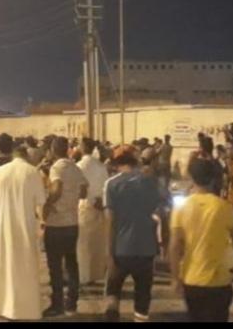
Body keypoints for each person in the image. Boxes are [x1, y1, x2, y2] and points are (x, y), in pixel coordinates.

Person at [169, 158, 233, 322]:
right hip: (219, 280)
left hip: (192, 279)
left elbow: (174, 246)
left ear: (191, 178)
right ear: (213, 179)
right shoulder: (223, 207)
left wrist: (175, 277)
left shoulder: (181, 207)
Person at [0, 142, 48, 321]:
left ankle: (0, 306)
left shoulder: (1, 171)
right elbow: (41, 201)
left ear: (13, 155)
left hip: (5, 226)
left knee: (4, 264)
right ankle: (27, 310)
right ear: (26, 155)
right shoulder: (33, 172)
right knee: (26, 266)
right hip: (26, 226)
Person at [103, 145, 164, 323]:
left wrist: (109, 253)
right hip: (146, 248)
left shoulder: (111, 184)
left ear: (116, 163)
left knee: (113, 291)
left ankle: (112, 317)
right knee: (143, 294)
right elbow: (161, 211)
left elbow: (110, 221)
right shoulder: (150, 181)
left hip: (121, 249)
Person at [41, 137, 89, 317]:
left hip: (56, 223)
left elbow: (57, 188)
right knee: (71, 264)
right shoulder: (75, 168)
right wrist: (72, 199)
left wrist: (48, 204)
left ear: (53, 150)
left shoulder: (57, 168)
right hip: (72, 223)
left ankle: (57, 304)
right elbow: (84, 191)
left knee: (55, 267)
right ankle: (72, 304)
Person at [76, 138, 109, 286]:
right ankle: (96, 274)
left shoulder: (79, 166)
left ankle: (84, 275)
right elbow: (105, 186)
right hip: (99, 204)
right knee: (97, 242)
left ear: (83, 148)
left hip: (84, 205)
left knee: (83, 243)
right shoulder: (101, 166)